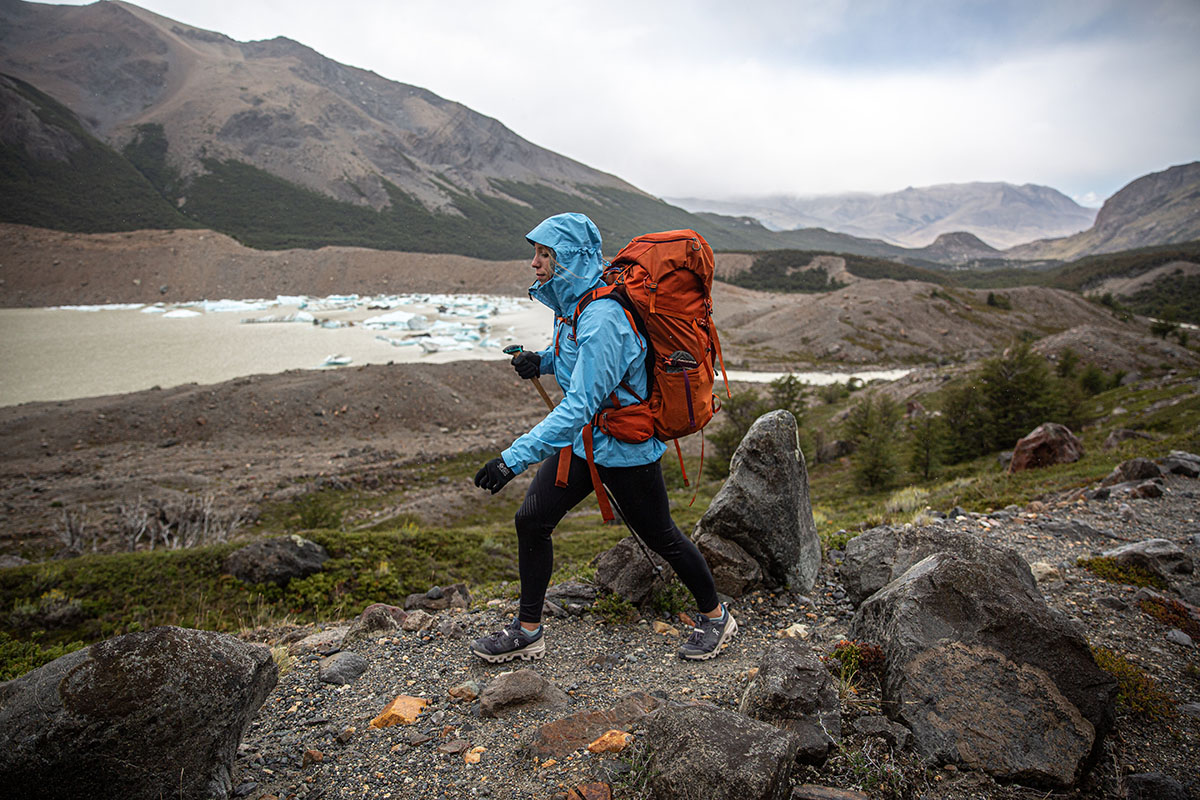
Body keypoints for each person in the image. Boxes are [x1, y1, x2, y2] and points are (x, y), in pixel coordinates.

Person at [471, 212, 735, 663]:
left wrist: (512, 460)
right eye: (535, 253)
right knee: (532, 521)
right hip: (585, 443)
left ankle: (716, 616)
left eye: (545, 254)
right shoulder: (576, 304)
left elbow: (579, 405)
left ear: (571, 258)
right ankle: (528, 630)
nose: (535, 263)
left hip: (624, 448)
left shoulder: (604, 317)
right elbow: (580, 357)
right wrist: (544, 361)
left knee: (662, 537)